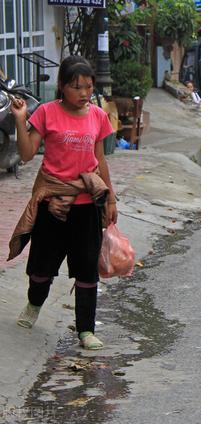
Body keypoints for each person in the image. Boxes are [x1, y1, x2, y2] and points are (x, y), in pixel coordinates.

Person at [8, 56, 117, 350]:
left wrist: (110, 199)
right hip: (52, 204)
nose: (84, 93)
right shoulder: (46, 113)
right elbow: (28, 153)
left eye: (88, 87)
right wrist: (20, 120)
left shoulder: (97, 116)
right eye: (76, 87)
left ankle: (86, 330)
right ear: (62, 86)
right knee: (41, 268)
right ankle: (34, 303)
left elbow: (100, 160)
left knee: (86, 269)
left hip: (86, 205)